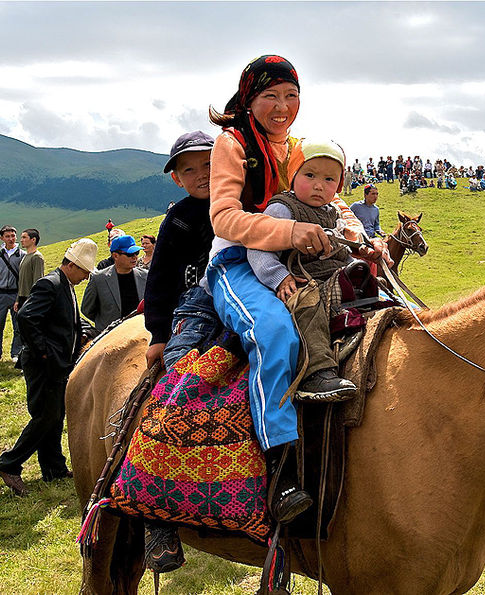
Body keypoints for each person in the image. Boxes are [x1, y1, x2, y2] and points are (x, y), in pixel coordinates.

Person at [203, 55, 387, 530]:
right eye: (270, 96)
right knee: (275, 333)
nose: (282, 107)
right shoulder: (233, 143)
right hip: (239, 261)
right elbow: (222, 217)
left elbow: (338, 204)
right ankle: (279, 472)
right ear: (249, 98)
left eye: (290, 95)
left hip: (304, 260)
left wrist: (362, 241)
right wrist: (290, 237)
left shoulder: (303, 149)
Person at [247, 138, 358, 402]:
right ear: (293, 175)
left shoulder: (333, 213)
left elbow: (345, 249)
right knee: (308, 305)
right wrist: (279, 277)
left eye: (330, 180)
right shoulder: (282, 208)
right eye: (310, 175)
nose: (319, 185)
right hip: (302, 279)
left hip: (336, 275)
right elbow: (258, 248)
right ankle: (316, 373)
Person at [0, 238, 95, 496]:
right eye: (84, 271)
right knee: (46, 416)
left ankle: (53, 467)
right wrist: (46, 354)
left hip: (56, 362)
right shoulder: (50, 284)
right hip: (44, 365)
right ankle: (9, 464)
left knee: (55, 415)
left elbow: (63, 320)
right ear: (71, 265)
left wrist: (82, 331)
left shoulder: (66, 285)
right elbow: (27, 318)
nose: (85, 277)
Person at [143, 130, 217, 371]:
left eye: (209, 164)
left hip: (241, 294)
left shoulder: (241, 203)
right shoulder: (178, 218)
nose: (202, 175)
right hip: (191, 306)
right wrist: (158, 335)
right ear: (177, 179)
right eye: (189, 170)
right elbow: (159, 276)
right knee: (180, 366)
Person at [81, 235, 147, 332]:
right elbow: (87, 309)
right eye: (129, 254)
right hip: (110, 338)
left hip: (139, 334)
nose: (134, 257)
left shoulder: (145, 276)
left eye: (136, 253)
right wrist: (104, 322)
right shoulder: (98, 279)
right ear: (115, 255)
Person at [0, 225, 24, 363]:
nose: (11, 239)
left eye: (13, 236)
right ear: (2, 238)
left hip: (15, 294)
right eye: (7, 236)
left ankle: (16, 353)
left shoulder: (22, 254)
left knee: (17, 325)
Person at [15, 229, 45, 312]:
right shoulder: (25, 256)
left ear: (33, 239)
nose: (21, 240)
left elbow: (37, 280)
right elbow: (21, 281)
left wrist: (33, 300)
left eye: (24, 237)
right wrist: (18, 299)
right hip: (22, 298)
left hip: (30, 298)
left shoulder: (36, 257)